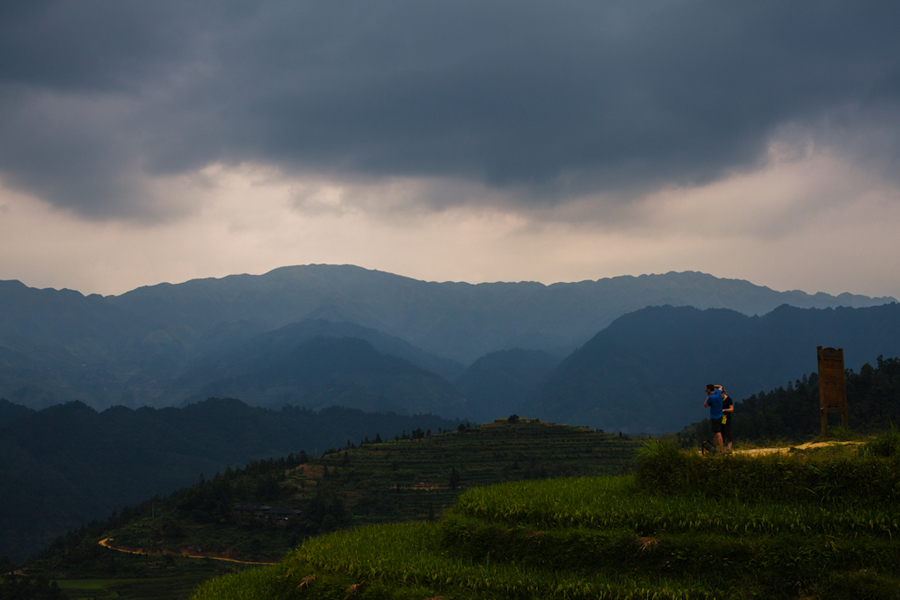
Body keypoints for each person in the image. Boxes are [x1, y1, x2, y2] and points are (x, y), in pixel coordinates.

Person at [704, 384, 724, 454]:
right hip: (720, 415)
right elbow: (720, 387)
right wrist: (714, 386)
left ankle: (721, 450)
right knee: (715, 433)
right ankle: (714, 449)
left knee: (718, 434)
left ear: (709, 389)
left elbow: (705, 405)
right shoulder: (718, 393)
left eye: (707, 389)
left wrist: (707, 395)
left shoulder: (711, 397)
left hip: (714, 417)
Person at [721, 389, 734, 453]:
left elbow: (731, 409)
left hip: (726, 416)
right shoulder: (720, 400)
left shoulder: (729, 399)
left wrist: (725, 410)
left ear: (723, 393)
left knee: (727, 431)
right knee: (722, 432)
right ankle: (722, 449)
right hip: (722, 417)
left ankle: (729, 449)